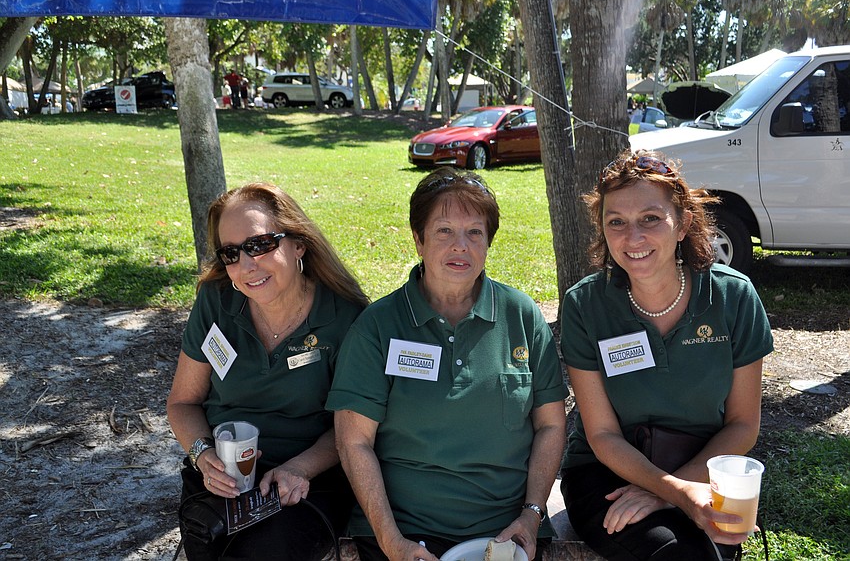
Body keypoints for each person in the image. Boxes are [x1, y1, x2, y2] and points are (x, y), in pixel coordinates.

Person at [328, 167, 568, 561]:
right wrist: (391, 541)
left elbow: (551, 424)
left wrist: (532, 514)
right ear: (418, 240)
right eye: (444, 231)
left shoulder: (522, 317)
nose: (461, 246)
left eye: (475, 232)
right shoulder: (378, 327)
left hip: (506, 532)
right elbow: (354, 442)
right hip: (406, 533)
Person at [559, 149, 773, 561]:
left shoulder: (733, 297)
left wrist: (676, 490)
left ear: (683, 224)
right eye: (616, 222)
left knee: (714, 547)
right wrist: (675, 492)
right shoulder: (585, 305)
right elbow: (601, 435)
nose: (632, 237)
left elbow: (743, 424)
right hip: (607, 474)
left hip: (702, 463)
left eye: (650, 219)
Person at [166, 182, 369, 560]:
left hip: (308, 476)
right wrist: (202, 454)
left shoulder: (344, 318)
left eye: (260, 245)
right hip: (222, 476)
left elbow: (351, 429)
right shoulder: (216, 302)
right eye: (231, 253)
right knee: (209, 547)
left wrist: (299, 469)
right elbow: (182, 402)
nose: (246, 265)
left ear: (298, 244)